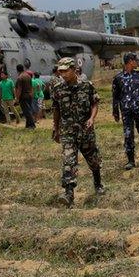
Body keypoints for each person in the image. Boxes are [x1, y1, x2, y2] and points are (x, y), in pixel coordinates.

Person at [52, 58, 105, 207]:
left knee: (93, 160)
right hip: (68, 132)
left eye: (65, 70)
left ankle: (98, 183)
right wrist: (55, 128)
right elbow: (56, 109)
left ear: (74, 69)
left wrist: (92, 118)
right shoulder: (57, 88)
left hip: (85, 130)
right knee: (68, 161)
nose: (62, 74)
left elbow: (95, 102)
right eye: (60, 71)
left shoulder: (87, 86)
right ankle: (68, 193)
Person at [112, 53, 139, 170]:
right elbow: (115, 97)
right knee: (128, 135)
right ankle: (130, 160)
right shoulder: (118, 78)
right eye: (135, 60)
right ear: (130, 61)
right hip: (126, 111)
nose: (137, 62)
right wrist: (115, 112)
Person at [15, 64, 36, 129]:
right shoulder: (28, 76)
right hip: (29, 95)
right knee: (28, 110)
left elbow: (19, 89)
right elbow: (31, 86)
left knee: (27, 111)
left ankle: (32, 125)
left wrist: (17, 98)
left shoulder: (20, 78)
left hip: (23, 96)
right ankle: (28, 125)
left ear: (17, 70)